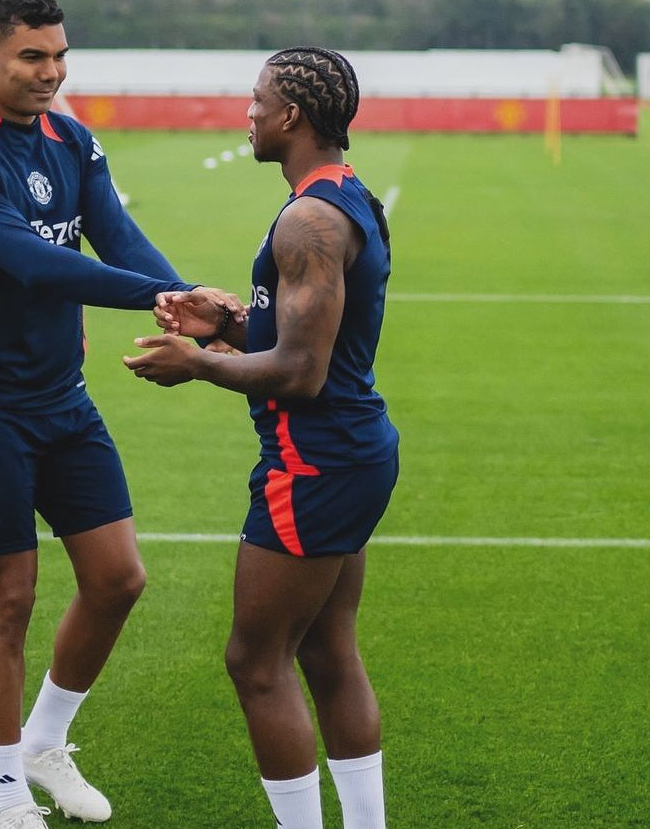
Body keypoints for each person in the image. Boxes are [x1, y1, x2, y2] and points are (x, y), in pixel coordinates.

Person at [0, 0, 196, 829]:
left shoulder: (73, 141)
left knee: (117, 579)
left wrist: (187, 300)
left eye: (60, 56)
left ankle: (44, 743)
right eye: (32, 57)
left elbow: (116, 236)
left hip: (63, 400)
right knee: (9, 603)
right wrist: (160, 296)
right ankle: (7, 799)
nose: (51, 72)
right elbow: (36, 265)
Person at [124, 46, 400, 829]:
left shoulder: (309, 219)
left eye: (257, 100)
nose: (247, 113)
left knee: (255, 662)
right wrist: (227, 323)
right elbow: (309, 341)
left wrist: (198, 363)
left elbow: (302, 372)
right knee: (327, 650)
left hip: (313, 463)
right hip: (352, 451)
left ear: (292, 115)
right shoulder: (345, 196)